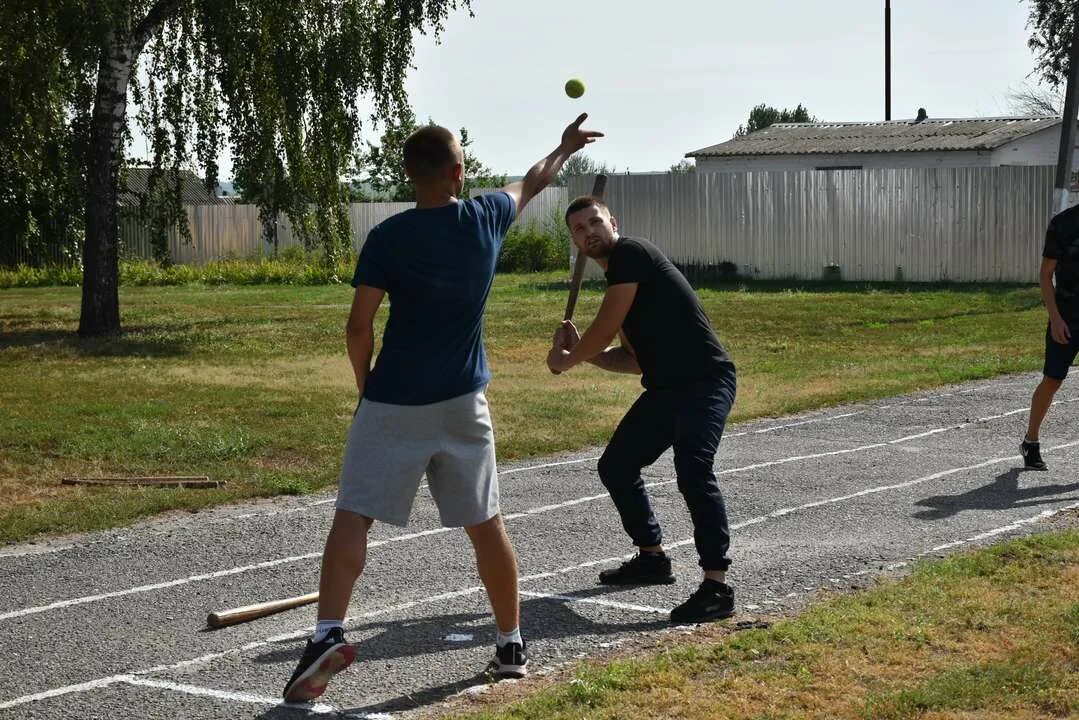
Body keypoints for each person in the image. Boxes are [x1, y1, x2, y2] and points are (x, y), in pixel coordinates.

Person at [283, 114, 603, 703]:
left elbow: (359, 328)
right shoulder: (484, 216)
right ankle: (510, 644)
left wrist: (364, 389)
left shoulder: (388, 238)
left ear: (410, 176)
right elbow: (532, 182)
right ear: (459, 173)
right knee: (487, 526)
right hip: (463, 402)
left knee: (354, 515)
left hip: (393, 400)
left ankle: (327, 634)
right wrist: (561, 148)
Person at [546, 196, 738, 624]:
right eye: (578, 229)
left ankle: (717, 586)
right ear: (575, 241)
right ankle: (652, 557)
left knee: (693, 468)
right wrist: (584, 353)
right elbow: (632, 359)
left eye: (594, 222)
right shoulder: (623, 280)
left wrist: (568, 357)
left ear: (613, 222)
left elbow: (605, 327)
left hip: (706, 381)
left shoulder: (633, 254)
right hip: (667, 389)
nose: (588, 232)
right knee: (616, 465)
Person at [1021, 202, 1079, 471]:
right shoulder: (1063, 223)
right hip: (1067, 317)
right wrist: (1055, 318)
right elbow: (1045, 276)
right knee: (1052, 380)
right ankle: (1031, 441)